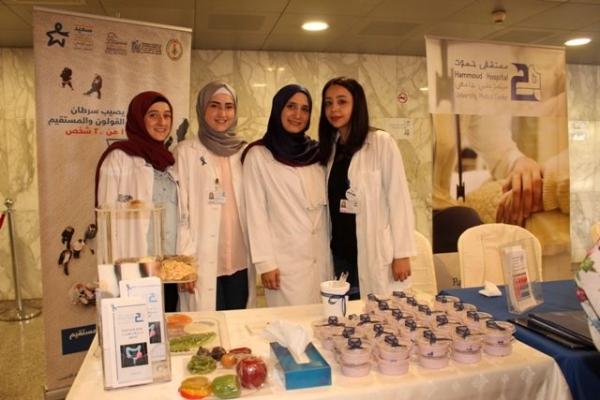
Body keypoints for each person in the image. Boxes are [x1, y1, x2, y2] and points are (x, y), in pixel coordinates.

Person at [317, 76, 416, 300]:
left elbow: (399, 199)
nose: (334, 109)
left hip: (374, 251)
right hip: (341, 255)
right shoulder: (331, 148)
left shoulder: (380, 142)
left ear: (357, 105)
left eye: (342, 101)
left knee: (379, 313)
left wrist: (402, 254)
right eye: (328, 103)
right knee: (346, 315)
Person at [95, 91, 190, 312]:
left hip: (166, 268)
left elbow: (181, 217)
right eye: (153, 115)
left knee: (166, 324)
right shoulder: (118, 157)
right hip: (132, 268)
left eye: (167, 115)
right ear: (138, 118)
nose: (162, 122)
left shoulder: (170, 162)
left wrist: (184, 264)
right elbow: (106, 220)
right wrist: (113, 273)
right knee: (135, 324)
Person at [242, 84, 333, 307]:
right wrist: (266, 263)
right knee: (288, 323)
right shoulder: (258, 155)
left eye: (305, 109)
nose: (298, 115)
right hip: (284, 265)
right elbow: (255, 213)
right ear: (278, 109)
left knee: (324, 321)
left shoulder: (318, 153)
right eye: (291, 106)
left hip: (321, 259)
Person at [174, 81, 254, 311]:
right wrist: (185, 261)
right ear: (202, 109)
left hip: (240, 261)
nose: (222, 113)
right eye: (214, 105)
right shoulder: (185, 152)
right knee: (206, 328)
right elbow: (179, 213)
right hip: (201, 260)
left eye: (229, 107)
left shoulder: (244, 151)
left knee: (237, 326)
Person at [432, 114, 546, 252]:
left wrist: (522, 162)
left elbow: (502, 154)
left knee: (468, 229)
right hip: (409, 216)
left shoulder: (465, 103)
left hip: (437, 210)